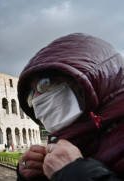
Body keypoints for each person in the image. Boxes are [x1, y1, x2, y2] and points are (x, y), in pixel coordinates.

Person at [16, 33, 124, 180]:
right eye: (31, 92)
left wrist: (74, 173)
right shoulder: (76, 139)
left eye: (44, 83)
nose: (35, 99)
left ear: (86, 82)